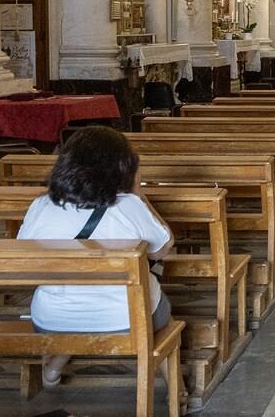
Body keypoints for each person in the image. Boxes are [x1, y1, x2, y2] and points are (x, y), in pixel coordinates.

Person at [18, 127, 171, 387]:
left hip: (53, 318)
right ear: (121, 167)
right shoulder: (128, 205)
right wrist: (139, 194)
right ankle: (176, 388)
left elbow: (24, 254)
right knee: (162, 314)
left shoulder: (41, 206)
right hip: (127, 317)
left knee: (77, 311)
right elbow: (162, 250)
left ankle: (54, 367)